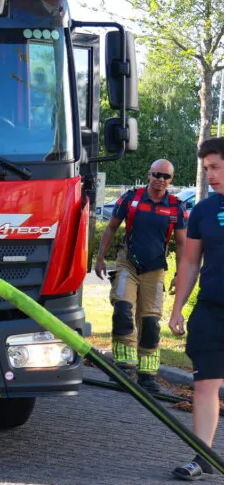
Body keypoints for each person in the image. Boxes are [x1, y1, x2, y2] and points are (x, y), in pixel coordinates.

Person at [94, 160, 186, 393]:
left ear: (171, 180)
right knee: (123, 310)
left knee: (151, 323)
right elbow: (111, 227)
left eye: (166, 176)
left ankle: (147, 376)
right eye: (157, 174)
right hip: (128, 264)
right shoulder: (131, 199)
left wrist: (179, 274)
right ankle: (124, 369)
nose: (160, 179)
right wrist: (100, 257)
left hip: (155, 270)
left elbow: (182, 243)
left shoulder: (175, 207)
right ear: (149, 174)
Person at [168, 138, 224, 480]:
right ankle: (203, 456)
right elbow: (189, 263)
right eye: (206, 169)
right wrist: (177, 309)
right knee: (205, 384)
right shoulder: (203, 210)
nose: (210, 175)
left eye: (216, 167)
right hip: (212, 310)